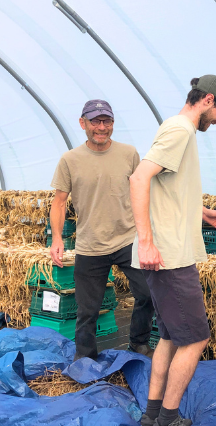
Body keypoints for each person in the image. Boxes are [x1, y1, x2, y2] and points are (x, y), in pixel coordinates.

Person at [129, 75, 216, 426]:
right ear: (208, 100)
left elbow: (166, 187)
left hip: (167, 252)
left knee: (170, 336)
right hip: (170, 256)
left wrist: (200, 211)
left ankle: (153, 414)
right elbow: (139, 178)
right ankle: (169, 417)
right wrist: (146, 241)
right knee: (196, 338)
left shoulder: (178, 130)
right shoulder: (180, 130)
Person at [50, 99, 155, 360]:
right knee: (88, 310)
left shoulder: (128, 153)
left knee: (148, 294)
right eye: (95, 121)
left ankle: (139, 343)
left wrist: (149, 234)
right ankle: (85, 357)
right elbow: (59, 202)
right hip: (91, 244)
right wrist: (56, 239)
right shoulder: (70, 160)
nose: (101, 127)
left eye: (106, 121)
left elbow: (144, 190)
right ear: (82, 123)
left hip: (127, 239)